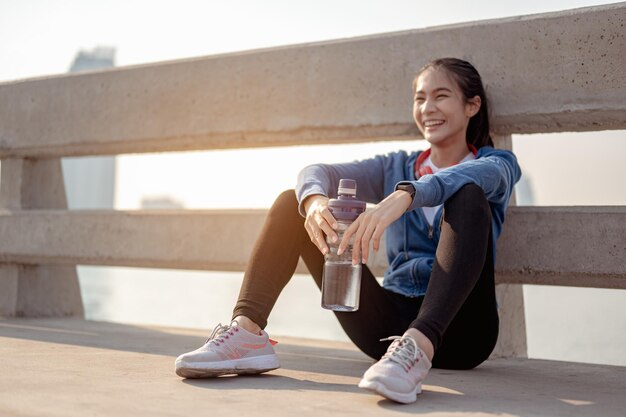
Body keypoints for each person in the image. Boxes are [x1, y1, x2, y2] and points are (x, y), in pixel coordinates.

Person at [175, 57, 521, 404]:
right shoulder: (396, 166)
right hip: (387, 332)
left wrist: (406, 195)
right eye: (420, 98)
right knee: (290, 202)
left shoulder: (497, 164)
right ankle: (247, 335)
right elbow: (315, 172)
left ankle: (419, 345)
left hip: (464, 334)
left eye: (441, 96)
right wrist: (313, 203)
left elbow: (476, 178)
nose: (427, 107)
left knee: (468, 194)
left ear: (472, 105)